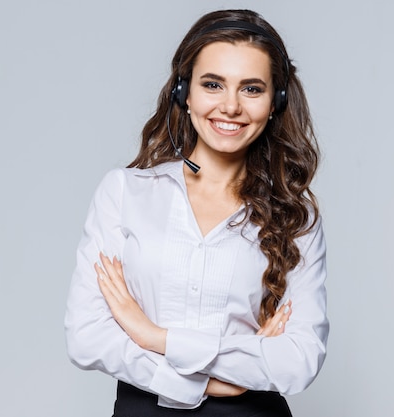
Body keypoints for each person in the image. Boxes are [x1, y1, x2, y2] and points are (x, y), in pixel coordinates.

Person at [65, 9, 328, 417]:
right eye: (213, 84)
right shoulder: (125, 193)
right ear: (184, 93)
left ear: (275, 103)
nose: (230, 106)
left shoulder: (296, 216)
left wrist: (152, 335)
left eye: (252, 89)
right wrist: (217, 380)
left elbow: (297, 363)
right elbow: (86, 337)